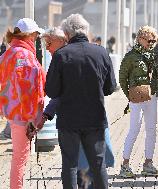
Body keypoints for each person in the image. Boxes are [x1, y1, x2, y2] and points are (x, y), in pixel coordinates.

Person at [45, 14, 116, 189]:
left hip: (69, 120)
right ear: (86, 30)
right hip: (95, 118)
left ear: (67, 34)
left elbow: (52, 90)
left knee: (70, 164)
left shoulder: (61, 55)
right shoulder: (101, 52)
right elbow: (110, 88)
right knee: (98, 164)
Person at [0, 18, 45, 189]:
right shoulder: (24, 56)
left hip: (12, 111)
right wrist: (31, 119)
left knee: (19, 156)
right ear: (27, 35)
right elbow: (25, 90)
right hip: (23, 115)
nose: (36, 38)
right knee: (20, 157)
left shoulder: (8, 53)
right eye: (35, 34)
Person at [119, 25, 158, 178]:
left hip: (151, 96)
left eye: (154, 41)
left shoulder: (154, 55)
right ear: (141, 39)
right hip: (136, 97)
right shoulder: (130, 56)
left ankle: (148, 164)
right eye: (149, 40)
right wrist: (129, 95)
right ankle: (125, 165)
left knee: (151, 129)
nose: (152, 43)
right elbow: (122, 78)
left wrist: (155, 88)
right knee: (134, 129)